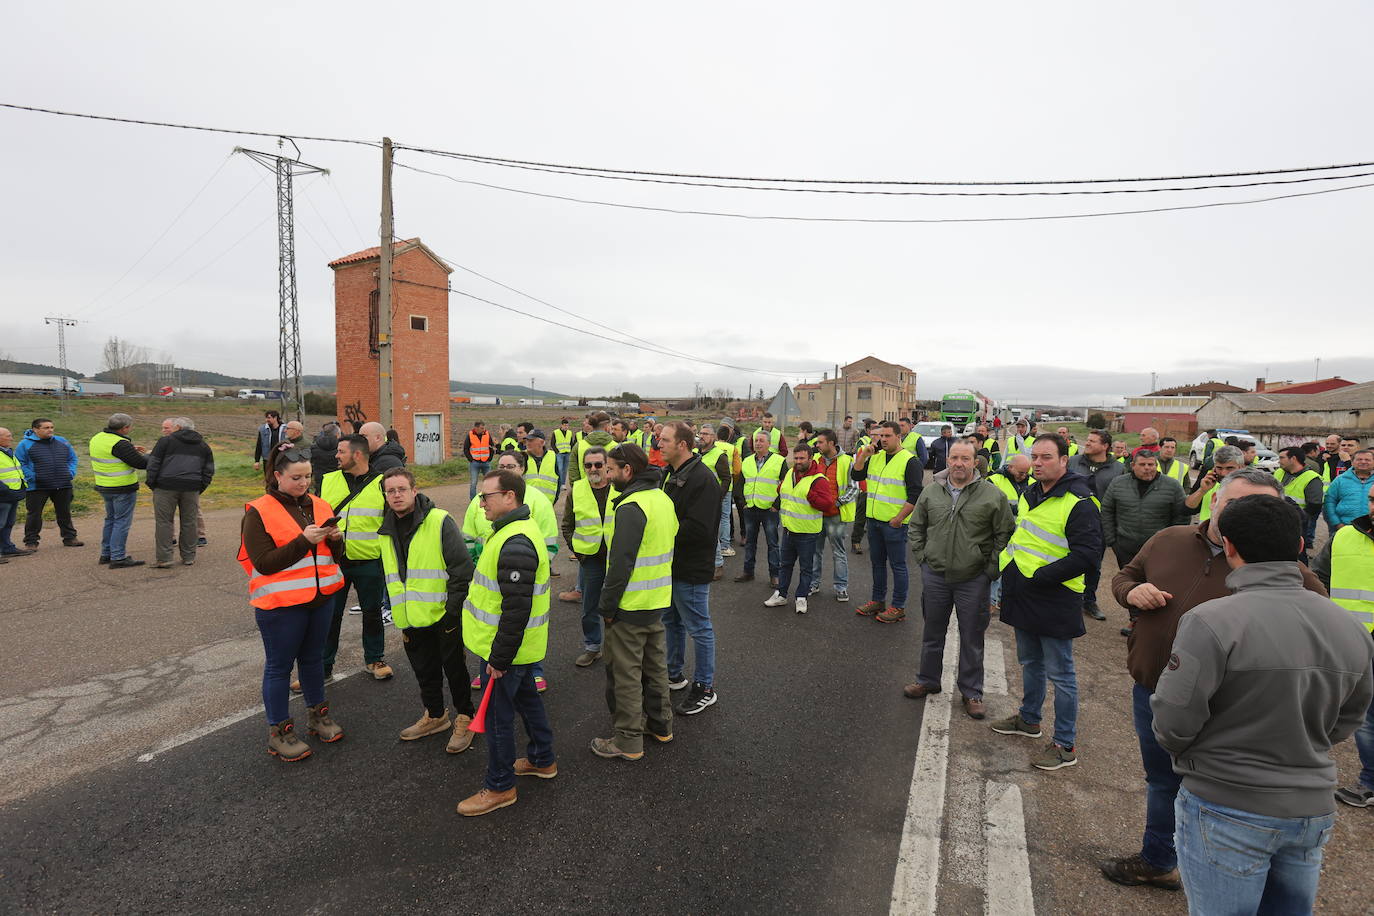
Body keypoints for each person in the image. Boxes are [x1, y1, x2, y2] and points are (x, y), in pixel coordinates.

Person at [1101, 467, 1327, 891]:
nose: (1246, 514)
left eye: (1261, 506)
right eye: (1236, 504)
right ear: (1215, 502)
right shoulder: (1169, 539)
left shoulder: (1285, 571)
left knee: (1211, 797)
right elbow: (1124, 575)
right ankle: (1159, 859)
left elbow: (1316, 628)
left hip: (1224, 709)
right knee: (1161, 781)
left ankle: (1212, 874)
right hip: (1152, 689)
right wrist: (1130, 593)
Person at [1152, 494, 1372, 913]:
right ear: (1300, 547)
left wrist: (1199, 756)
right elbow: (1349, 717)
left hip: (1226, 802)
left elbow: (1173, 719)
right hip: (1310, 808)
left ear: (1229, 546)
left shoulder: (1211, 620)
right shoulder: (1350, 627)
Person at [990, 434, 1103, 772]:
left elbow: (1089, 555)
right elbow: (1023, 537)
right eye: (1034, 457)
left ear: (1064, 461)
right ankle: (1029, 719)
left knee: (1062, 674)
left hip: (1055, 595)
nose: (1038, 463)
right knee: (1030, 662)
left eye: (1046, 457)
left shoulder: (1080, 500)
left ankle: (1065, 745)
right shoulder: (1030, 493)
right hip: (1024, 590)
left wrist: (1041, 577)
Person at [458, 468, 557, 815]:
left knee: (498, 719)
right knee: (528, 701)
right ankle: (542, 759)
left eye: (486, 496)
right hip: (520, 647)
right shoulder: (510, 532)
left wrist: (498, 659)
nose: (480, 502)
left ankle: (499, 787)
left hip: (507, 651)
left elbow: (516, 609)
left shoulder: (516, 542)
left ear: (509, 497)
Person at [238, 447, 346, 762]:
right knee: (279, 667)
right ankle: (280, 733)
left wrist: (337, 541)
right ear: (278, 476)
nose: (303, 483)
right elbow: (264, 563)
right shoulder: (258, 511)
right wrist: (303, 542)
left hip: (321, 598)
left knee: (312, 660)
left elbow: (332, 558)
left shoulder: (320, 504)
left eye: (308, 476)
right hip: (281, 605)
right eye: (296, 477)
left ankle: (318, 716)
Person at [904, 440, 1014, 720]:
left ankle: (972, 691)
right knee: (932, 632)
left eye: (965, 458)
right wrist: (923, 557)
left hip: (973, 578)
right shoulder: (932, 491)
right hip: (936, 575)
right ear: (948, 460)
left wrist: (990, 568)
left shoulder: (992, 495)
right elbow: (917, 526)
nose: (959, 463)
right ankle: (928, 679)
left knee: (972, 636)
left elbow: (1005, 534)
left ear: (975, 462)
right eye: (954, 457)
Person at [377, 467, 477, 755]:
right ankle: (435, 715)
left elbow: (462, 570)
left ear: (414, 491)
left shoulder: (439, 521)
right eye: (390, 491)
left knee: (455, 670)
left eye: (401, 489)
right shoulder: (385, 529)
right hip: (410, 616)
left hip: (443, 615)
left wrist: (452, 611)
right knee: (424, 670)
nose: (396, 495)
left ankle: (465, 717)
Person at [593, 444, 677, 760]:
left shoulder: (631, 507)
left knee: (625, 675)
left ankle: (628, 740)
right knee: (655, 668)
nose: (608, 474)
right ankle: (661, 726)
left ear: (628, 470)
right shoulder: (663, 500)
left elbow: (620, 564)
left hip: (630, 605)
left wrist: (607, 608)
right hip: (657, 600)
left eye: (611, 469)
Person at [1311, 488, 1374, 809]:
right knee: (1360, 715)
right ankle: (1370, 782)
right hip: (1349, 641)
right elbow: (1318, 578)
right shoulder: (1345, 535)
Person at [319, 435, 393, 683]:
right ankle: (322, 666)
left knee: (372, 613)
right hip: (333, 560)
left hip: (370, 561)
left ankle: (375, 659)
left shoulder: (383, 484)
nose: (336, 456)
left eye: (341, 452)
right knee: (330, 616)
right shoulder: (327, 481)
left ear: (357, 454)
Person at [659, 421, 722, 714]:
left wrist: (660, 532)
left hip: (692, 566)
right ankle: (674, 674)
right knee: (672, 621)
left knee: (699, 627)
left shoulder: (703, 479)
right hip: (672, 565)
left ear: (682, 444)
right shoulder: (670, 474)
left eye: (664, 440)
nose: (659, 444)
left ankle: (705, 687)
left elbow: (699, 528)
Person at [850, 420, 922, 623]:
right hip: (873, 521)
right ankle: (877, 600)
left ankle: (898, 606)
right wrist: (863, 455)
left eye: (887, 436)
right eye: (880, 436)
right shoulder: (875, 456)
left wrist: (899, 519)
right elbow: (856, 474)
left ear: (899, 436)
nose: (882, 440)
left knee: (898, 566)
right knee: (877, 564)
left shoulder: (910, 461)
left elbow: (915, 494)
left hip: (894, 524)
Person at [764, 442, 836, 614]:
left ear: (811, 459)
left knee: (805, 567)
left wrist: (810, 495)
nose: (798, 461)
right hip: (789, 530)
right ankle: (781, 595)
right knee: (785, 565)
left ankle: (801, 597)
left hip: (807, 532)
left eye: (802, 458)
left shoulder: (819, 479)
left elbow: (827, 504)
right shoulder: (790, 473)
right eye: (795, 458)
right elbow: (782, 490)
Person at [561, 445, 615, 667]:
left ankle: (616, 650)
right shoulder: (578, 489)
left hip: (617, 559)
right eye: (588, 465)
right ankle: (593, 647)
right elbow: (567, 526)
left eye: (598, 464)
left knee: (617, 607)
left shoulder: (620, 488)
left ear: (607, 466)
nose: (593, 469)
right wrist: (579, 553)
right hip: (590, 560)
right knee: (589, 607)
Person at [1067, 429, 1125, 621]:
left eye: (1093, 441)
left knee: (1093, 565)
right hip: (1069, 522)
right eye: (1088, 440)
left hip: (1097, 527)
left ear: (1105, 446)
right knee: (1065, 561)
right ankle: (1067, 600)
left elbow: (1121, 499)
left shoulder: (1118, 469)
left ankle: (1088, 601)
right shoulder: (1073, 462)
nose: (1088, 443)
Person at [1101, 449, 1188, 570]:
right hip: (1125, 548)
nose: (1147, 468)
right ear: (1133, 466)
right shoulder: (1118, 483)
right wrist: (1112, 541)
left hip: (1159, 549)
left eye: (1151, 464)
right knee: (1130, 584)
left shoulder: (1172, 486)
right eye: (1142, 464)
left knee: (1155, 584)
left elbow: (1182, 515)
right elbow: (1107, 510)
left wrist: (1171, 542)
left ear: (1156, 466)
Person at [145, 417, 214, 569]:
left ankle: (164, 558)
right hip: (191, 488)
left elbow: (153, 463)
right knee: (190, 522)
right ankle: (189, 556)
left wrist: (152, 483)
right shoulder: (203, 446)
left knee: (164, 522)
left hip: (165, 487)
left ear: (177, 427)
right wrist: (199, 487)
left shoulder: (165, 441)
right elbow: (208, 470)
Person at [90, 413, 149, 568]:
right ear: (125, 428)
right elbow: (141, 463)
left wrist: (130, 450)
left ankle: (106, 554)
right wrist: (151, 455)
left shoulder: (97, 437)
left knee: (110, 520)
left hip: (104, 485)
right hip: (122, 487)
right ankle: (118, 557)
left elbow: (110, 454)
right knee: (121, 522)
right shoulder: (120, 444)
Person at [15, 418, 81, 549]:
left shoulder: (62, 441)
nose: (50, 430)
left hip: (63, 484)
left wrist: (70, 473)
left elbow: (72, 458)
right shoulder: (24, 444)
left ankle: (70, 538)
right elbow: (19, 463)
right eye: (46, 428)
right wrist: (33, 477)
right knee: (34, 514)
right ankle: (31, 541)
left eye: (51, 427)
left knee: (64, 512)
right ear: (35, 429)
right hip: (37, 486)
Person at [735, 431, 786, 587]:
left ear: (769, 443)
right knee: (750, 542)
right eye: (756, 440)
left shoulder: (779, 460)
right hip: (750, 508)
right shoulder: (748, 460)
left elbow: (786, 485)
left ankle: (775, 575)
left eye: (761, 441)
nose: (758, 443)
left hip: (769, 510)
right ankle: (748, 572)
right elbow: (740, 483)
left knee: (773, 544)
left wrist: (776, 505)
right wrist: (743, 502)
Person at [811, 429, 853, 602]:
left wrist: (837, 503)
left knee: (838, 552)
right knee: (815, 551)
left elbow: (854, 487)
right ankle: (813, 583)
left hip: (835, 515)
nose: (817, 445)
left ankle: (841, 587)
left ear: (831, 443)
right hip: (815, 514)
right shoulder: (815, 460)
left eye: (820, 442)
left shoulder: (847, 461)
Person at [693, 424, 732, 579]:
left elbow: (726, 478)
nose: (702, 436)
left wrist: (717, 497)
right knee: (698, 533)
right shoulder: (695, 453)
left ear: (714, 437)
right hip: (696, 499)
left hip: (711, 501)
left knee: (711, 533)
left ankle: (718, 565)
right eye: (700, 433)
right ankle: (702, 563)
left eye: (706, 434)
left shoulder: (719, 455)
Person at [1276, 446, 1324, 563]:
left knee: (1297, 555)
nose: (1279, 461)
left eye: (1282, 458)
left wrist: (1301, 517)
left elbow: (1315, 505)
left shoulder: (1311, 478)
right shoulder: (1279, 472)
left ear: (1293, 458)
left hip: (1297, 523)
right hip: (1276, 518)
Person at [1185, 444, 1243, 524]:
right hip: (1206, 533)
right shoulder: (1207, 479)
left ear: (1241, 467)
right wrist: (1202, 491)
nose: (1223, 473)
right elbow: (1188, 509)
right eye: (1219, 468)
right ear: (1214, 467)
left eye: (1229, 468)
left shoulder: (1249, 486)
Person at [0, 427, 31, 561]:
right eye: (8, 436)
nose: (11, 438)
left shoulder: (7, 452)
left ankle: (7, 548)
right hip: (3, 495)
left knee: (8, 523)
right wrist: (6, 490)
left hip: (13, 494)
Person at [1325, 448, 1374, 530]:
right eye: (1359, 459)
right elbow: (1329, 502)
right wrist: (1337, 523)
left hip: (1371, 527)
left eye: (1367, 460)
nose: (1363, 462)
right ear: (1352, 462)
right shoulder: (1340, 480)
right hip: (1345, 526)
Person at [568, 411, 614, 487]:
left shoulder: (579, 446)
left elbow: (573, 472)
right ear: (607, 427)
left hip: (583, 492)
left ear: (592, 427)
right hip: (611, 493)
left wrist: (576, 489)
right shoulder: (616, 447)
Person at [522, 429, 559, 505]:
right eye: (527, 440)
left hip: (547, 505)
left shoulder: (553, 456)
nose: (528, 443)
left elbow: (559, 481)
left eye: (531, 440)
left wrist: (554, 500)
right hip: (526, 505)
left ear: (542, 442)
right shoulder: (522, 456)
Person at [462, 420, 493, 500]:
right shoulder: (470, 435)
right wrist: (471, 459)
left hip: (486, 462)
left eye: (484, 428)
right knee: (473, 483)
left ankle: (489, 498)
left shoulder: (487, 434)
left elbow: (492, 446)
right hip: (474, 463)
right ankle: (473, 501)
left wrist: (490, 458)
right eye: (481, 428)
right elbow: (466, 449)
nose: (483, 430)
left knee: (489, 482)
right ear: (476, 428)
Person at [310, 421, 340, 496]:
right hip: (337, 480)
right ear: (337, 435)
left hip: (319, 479)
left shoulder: (314, 447)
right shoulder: (342, 449)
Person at [552, 417, 574, 490]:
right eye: (565, 425)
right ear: (561, 425)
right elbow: (552, 443)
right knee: (560, 469)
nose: (566, 427)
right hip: (559, 454)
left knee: (565, 470)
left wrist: (570, 451)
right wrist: (557, 451)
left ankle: (563, 484)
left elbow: (571, 443)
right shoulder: (556, 432)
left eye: (567, 425)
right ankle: (559, 483)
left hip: (567, 453)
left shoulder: (570, 432)